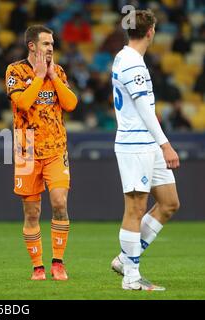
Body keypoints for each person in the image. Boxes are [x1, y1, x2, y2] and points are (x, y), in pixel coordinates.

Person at [110, 10, 180, 290]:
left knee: (169, 203)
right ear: (150, 31)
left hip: (146, 142)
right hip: (136, 144)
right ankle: (131, 277)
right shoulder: (132, 64)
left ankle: (124, 259)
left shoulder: (125, 56)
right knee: (136, 208)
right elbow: (143, 108)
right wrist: (166, 144)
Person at [5, 25, 78, 281]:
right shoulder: (14, 71)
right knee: (32, 212)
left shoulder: (57, 71)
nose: (50, 48)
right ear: (32, 46)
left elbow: (71, 104)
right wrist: (38, 77)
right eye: (46, 43)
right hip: (26, 149)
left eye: (52, 44)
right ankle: (38, 267)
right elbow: (23, 103)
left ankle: (58, 262)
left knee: (59, 203)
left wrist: (52, 77)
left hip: (56, 148)